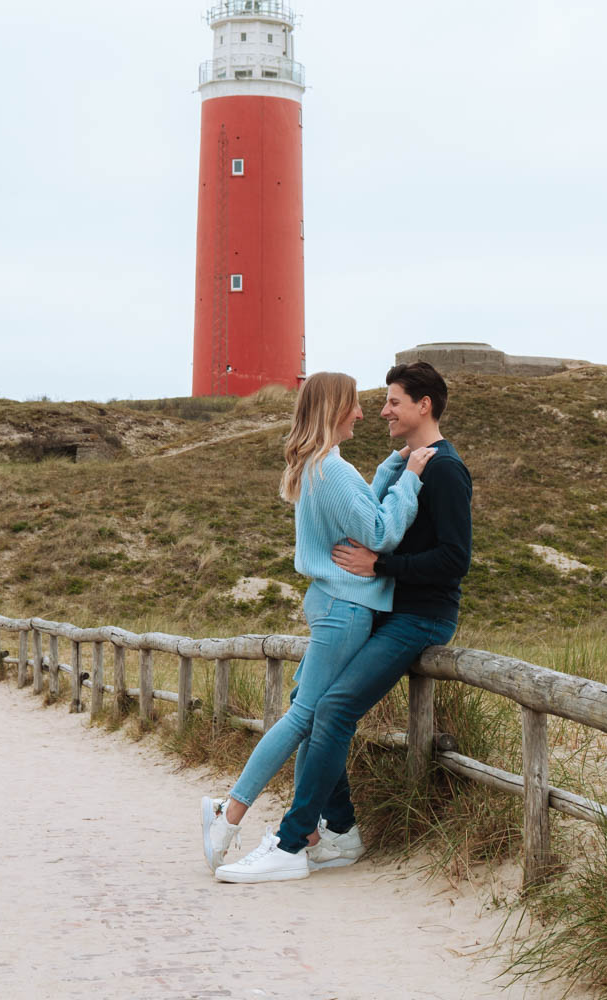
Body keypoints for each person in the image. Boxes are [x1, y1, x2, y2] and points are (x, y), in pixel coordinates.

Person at [215, 361, 470, 883]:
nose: (381, 410)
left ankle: (290, 842)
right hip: (383, 611)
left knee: (328, 709)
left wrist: (382, 565)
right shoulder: (403, 466)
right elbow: (371, 518)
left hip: (420, 618)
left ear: (424, 405)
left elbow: (453, 560)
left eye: (393, 401)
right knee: (310, 706)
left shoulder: (444, 469)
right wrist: (390, 484)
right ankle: (342, 831)